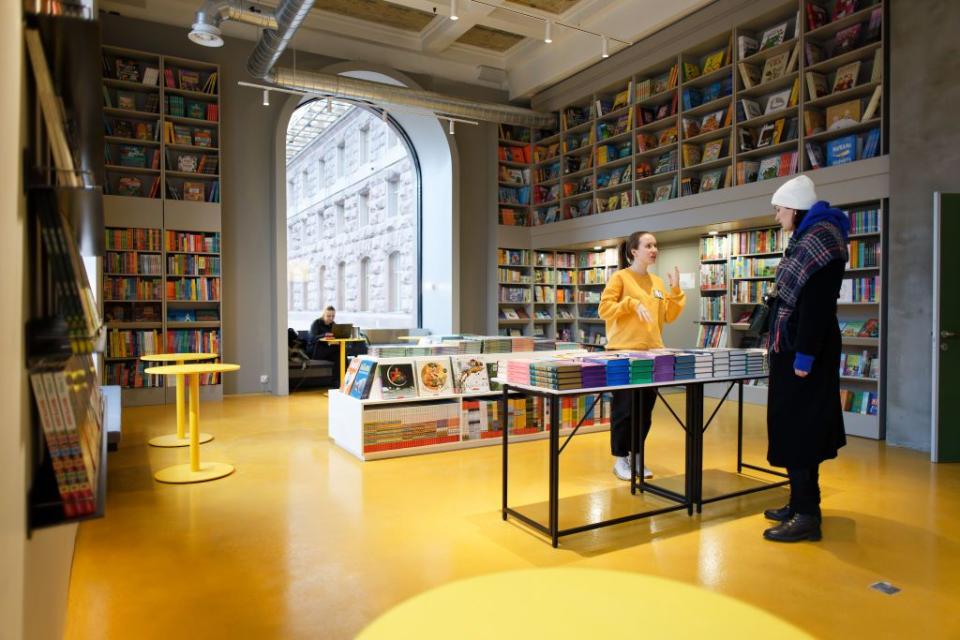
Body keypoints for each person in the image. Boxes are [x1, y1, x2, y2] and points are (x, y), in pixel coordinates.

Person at [763, 174, 848, 543]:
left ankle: (807, 515)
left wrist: (804, 357)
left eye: (780, 209)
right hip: (795, 346)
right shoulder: (809, 239)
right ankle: (798, 502)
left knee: (801, 429)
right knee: (792, 426)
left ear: (795, 209)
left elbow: (815, 306)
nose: (778, 215)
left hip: (803, 351)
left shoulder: (819, 243)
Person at [598, 231, 685, 481]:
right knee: (624, 409)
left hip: (652, 354)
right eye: (648, 245)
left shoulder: (657, 282)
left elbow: (668, 315)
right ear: (634, 251)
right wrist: (630, 304)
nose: (654, 249)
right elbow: (604, 309)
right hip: (623, 353)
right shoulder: (620, 278)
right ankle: (620, 459)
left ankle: (637, 456)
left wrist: (676, 290)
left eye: (656, 245)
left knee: (645, 411)